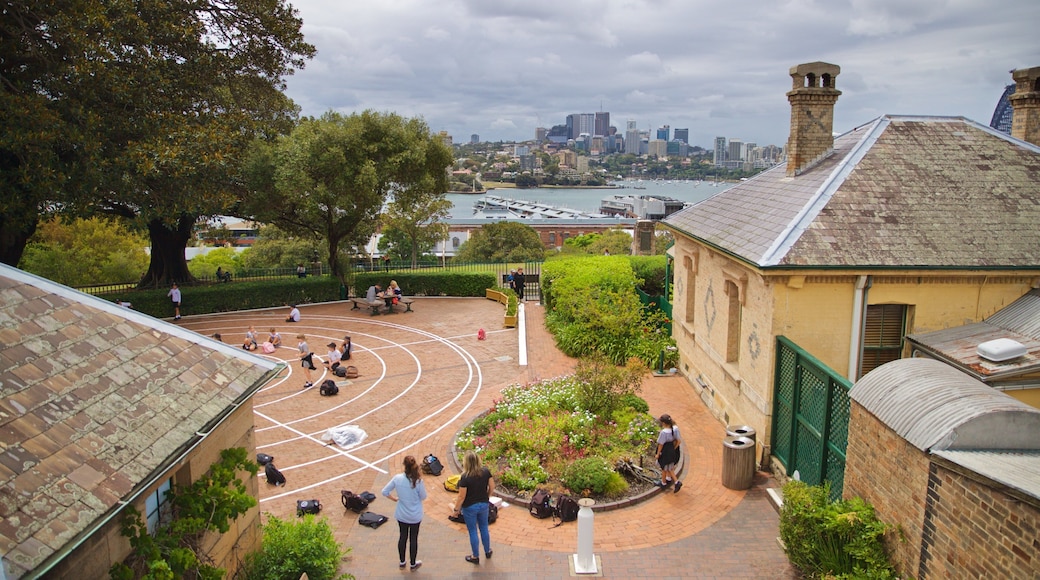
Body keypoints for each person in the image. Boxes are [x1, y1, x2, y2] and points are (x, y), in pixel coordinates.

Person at [381, 455, 427, 571]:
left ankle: (402, 561)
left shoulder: (397, 478)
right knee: (413, 539)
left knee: (402, 536)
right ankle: (412, 563)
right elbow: (423, 496)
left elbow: (385, 491)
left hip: (402, 514)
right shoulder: (418, 481)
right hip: (415, 515)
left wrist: (394, 498)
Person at [452, 451, 494, 564]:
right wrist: (487, 496)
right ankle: (488, 550)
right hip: (483, 504)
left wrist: (456, 510)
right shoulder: (485, 472)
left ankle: (475, 556)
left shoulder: (465, 477)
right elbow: (492, 486)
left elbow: (461, 496)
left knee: (472, 531)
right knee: (484, 528)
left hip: (469, 507)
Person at [655, 414, 683, 493]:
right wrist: (673, 449)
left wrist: (658, 454)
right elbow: (678, 440)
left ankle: (663, 483)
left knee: (664, 467)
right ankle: (676, 482)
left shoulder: (663, 432)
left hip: (665, 451)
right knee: (670, 468)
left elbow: (661, 444)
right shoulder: (673, 430)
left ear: (663, 423)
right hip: (671, 450)